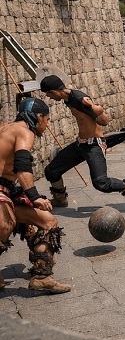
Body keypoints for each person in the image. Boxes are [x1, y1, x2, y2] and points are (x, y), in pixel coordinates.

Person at [40, 75, 125, 208]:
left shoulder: (79, 98)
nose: (50, 98)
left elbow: (104, 120)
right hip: (81, 144)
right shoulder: (68, 97)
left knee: (101, 183)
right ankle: (60, 199)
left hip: (94, 145)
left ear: (54, 92)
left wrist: (92, 107)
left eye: (49, 95)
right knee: (52, 171)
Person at [0, 98, 71, 294]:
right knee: (5, 225)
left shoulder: (5, 126)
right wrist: (34, 197)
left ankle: (41, 277)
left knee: (48, 222)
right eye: (47, 120)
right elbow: (22, 165)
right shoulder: (24, 131)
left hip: (7, 188)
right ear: (39, 117)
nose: (47, 125)